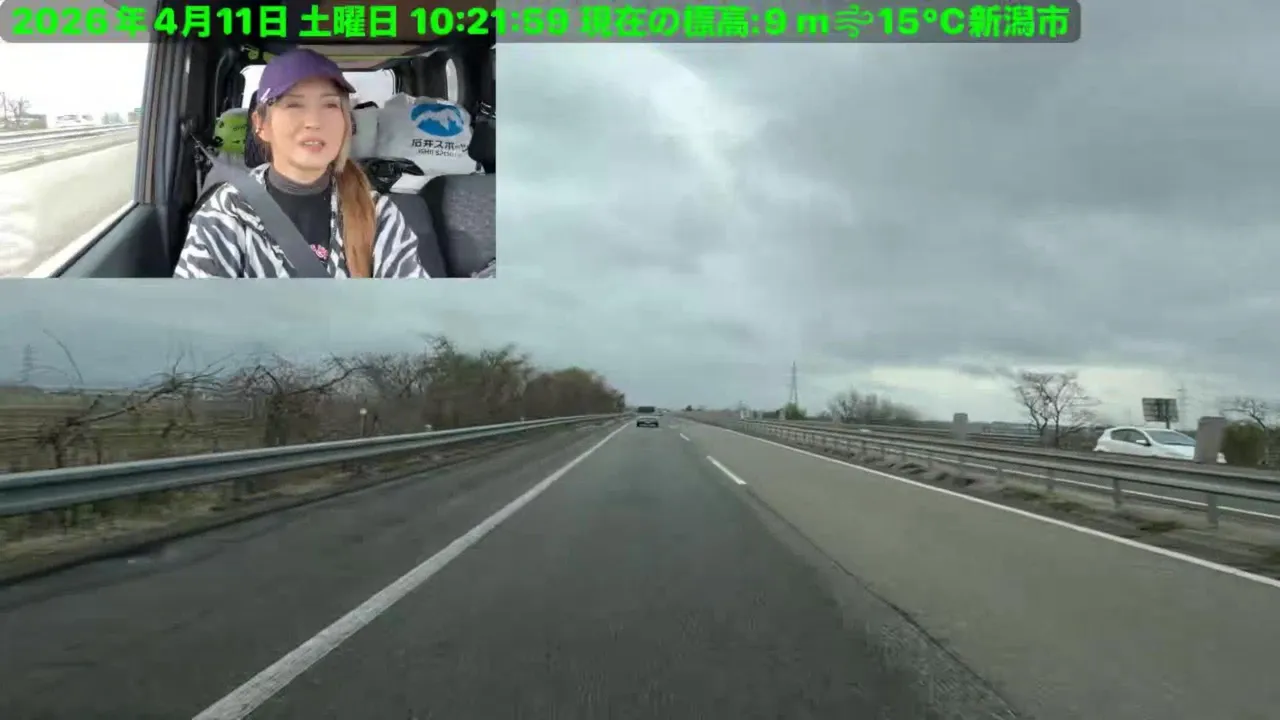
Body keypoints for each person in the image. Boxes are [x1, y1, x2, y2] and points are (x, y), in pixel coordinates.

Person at [174, 49, 428, 278]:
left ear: (346, 122)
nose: (314, 122)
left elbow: (414, 309)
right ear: (261, 125)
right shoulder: (228, 212)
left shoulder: (378, 214)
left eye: (330, 105)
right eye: (294, 104)